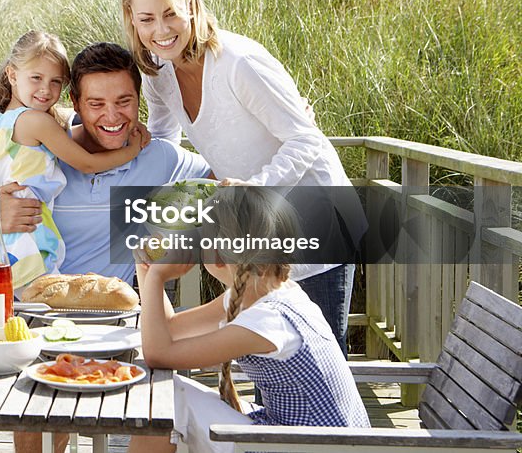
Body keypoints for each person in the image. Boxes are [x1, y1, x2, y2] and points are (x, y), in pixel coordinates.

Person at [0, 42, 211, 453]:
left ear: (139, 100)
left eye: (125, 101)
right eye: (97, 103)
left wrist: (185, 236)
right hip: (22, 316)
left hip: (108, 326)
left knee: (147, 414)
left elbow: (239, 195)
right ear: (75, 103)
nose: (113, 116)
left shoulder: (158, 159)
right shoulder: (40, 153)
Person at [120, 0, 364, 355]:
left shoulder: (238, 62)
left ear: (192, 7)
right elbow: (166, 139)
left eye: (171, 14)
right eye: (147, 19)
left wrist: (251, 192)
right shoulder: (159, 74)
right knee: (270, 356)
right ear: (132, 18)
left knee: (317, 355)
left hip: (317, 222)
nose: (161, 31)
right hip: (258, 228)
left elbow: (307, 139)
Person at [129, 187, 369, 453]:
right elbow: (172, 329)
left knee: (166, 398)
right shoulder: (268, 293)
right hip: (301, 439)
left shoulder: (268, 320)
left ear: (218, 255)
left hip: (312, 446)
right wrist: (146, 269)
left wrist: (156, 279)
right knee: (168, 396)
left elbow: (158, 354)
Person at [0, 30, 149, 291]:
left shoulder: (4, 120)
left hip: (1, 239)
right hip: (24, 238)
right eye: (36, 78)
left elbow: (62, 120)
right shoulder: (36, 122)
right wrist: (132, 151)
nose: (46, 90)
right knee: (37, 304)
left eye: (56, 82)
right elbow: (87, 164)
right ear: (12, 75)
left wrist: (101, 117)